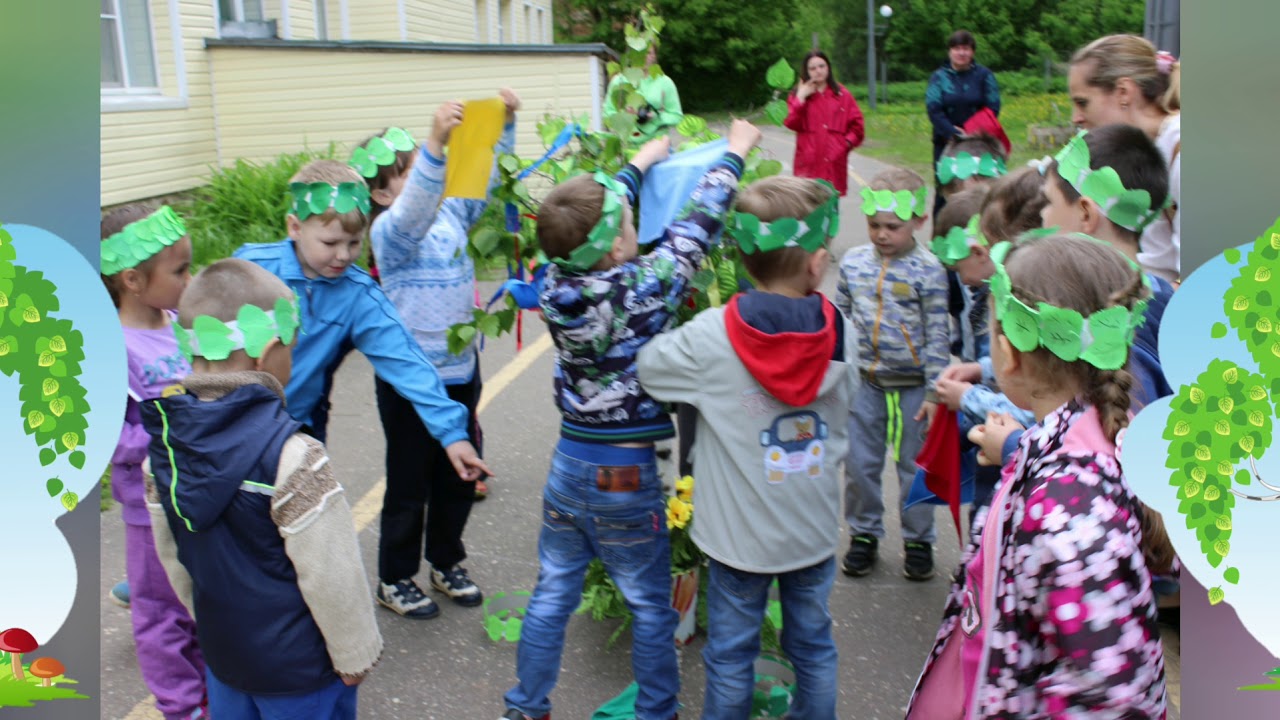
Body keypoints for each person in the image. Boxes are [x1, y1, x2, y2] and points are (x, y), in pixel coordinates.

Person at [500, 120, 763, 720]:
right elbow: (698, 223)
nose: (633, 230)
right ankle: (657, 712)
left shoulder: (553, 284)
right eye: (626, 225)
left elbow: (587, 218)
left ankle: (526, 706)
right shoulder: (643, 286)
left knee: (551, 590)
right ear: (618, 247)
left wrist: (638, 165)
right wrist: (735, 153)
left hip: (569, 463)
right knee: (648, 602)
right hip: (624, 474)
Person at [905, 234, 1168, 719]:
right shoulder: (1084, 438)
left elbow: (1111, 697)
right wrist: (1015, 448)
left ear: (1008, 355)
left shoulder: (1069, 511)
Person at [637, 176, 855, 719]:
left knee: (732, 655)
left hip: (737, 540)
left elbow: (650, 369)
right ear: (816, 262)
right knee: (813, 649)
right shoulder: (841, 331)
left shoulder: (711, 335)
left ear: (741, 257)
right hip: (811, 531)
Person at [140, 258, 383, 720]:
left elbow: (173, 557)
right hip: (300, 671)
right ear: (268, 352)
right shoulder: (295, 455)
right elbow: (332, 573)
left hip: (226, 658)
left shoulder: (165, 448)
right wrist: (355, 654)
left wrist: (207, 623)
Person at [358, 91, 520, 618]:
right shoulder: (391, 233)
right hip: (410, 381)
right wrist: (432, 142)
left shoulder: (451, 214)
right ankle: (395, 577)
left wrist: (504, 127)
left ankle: (446, 560)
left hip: (460, 371)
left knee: (458, 477)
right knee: (409, 483)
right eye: (407, 172)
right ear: (381, 195)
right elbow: (414, 210)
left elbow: (484, 180)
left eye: (423, 167)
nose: (428, 175)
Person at [100, 204, 206, 720]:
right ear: (133, 280)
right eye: (180, 270)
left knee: (204, 602)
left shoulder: (178, 325)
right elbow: (101, 435)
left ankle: (217, 692)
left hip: (201, 498)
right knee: (163, 617)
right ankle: (183, 707)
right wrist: (166, 437)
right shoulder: (108, 348)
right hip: (151, 511)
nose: (190, 279)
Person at [835, 167, 948, 580]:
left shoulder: (930, 270)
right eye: (874, 225)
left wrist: (936, 392)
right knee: (860, 465)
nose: (882, 235)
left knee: (913, 467)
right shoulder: (853, 263)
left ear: (918, 221)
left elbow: (938, 334)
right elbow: (840, 317)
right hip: (865, 383)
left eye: (893, 227)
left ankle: (919, 540)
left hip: (914, 388)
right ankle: (864, 533)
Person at [1069, 34, 1181, 284]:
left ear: (1123, 92)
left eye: (1082, 103)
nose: (1075, 118)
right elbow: (1160, 265)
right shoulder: (1156, 150)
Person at [934, 132, 1007, 356]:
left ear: (978, 179)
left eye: (955, 194)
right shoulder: (961, 231)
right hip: (971, 345)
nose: (953, 204)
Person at [926, 30, 1001, 217]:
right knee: (946, 191)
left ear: (972, 52)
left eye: (966, 49)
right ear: (950, 51)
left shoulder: (984, 75)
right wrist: (952, 132)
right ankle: (940, 239)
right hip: (947, 144)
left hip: (978, 143)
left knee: (980, 190)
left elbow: (993, 106)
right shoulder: (939, 77)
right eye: (957, 48)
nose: (962, 53)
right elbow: (933, 108)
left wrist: (974, 131)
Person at [783, 50, 865, 196]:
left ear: (828, 68)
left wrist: (844, 144)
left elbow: (857, 127)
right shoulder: (798, 95)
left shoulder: (842, 95)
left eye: (822, 66)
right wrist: (801, 97)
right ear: (806, 71)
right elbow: (790, 122)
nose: (818, 71)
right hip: (807, 163)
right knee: (807, 210)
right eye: (812, 68)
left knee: (831, 211)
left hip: (833, 163)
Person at [603, 44, 683, 144]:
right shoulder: (619, 81)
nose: (644, 57)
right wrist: (626, 115)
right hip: (627, 145)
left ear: (654, 56)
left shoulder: (665, 82)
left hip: (657, 143)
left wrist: (656, 117)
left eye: (649, 53)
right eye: (639, 52)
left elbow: (677, 117)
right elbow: (608, 114)